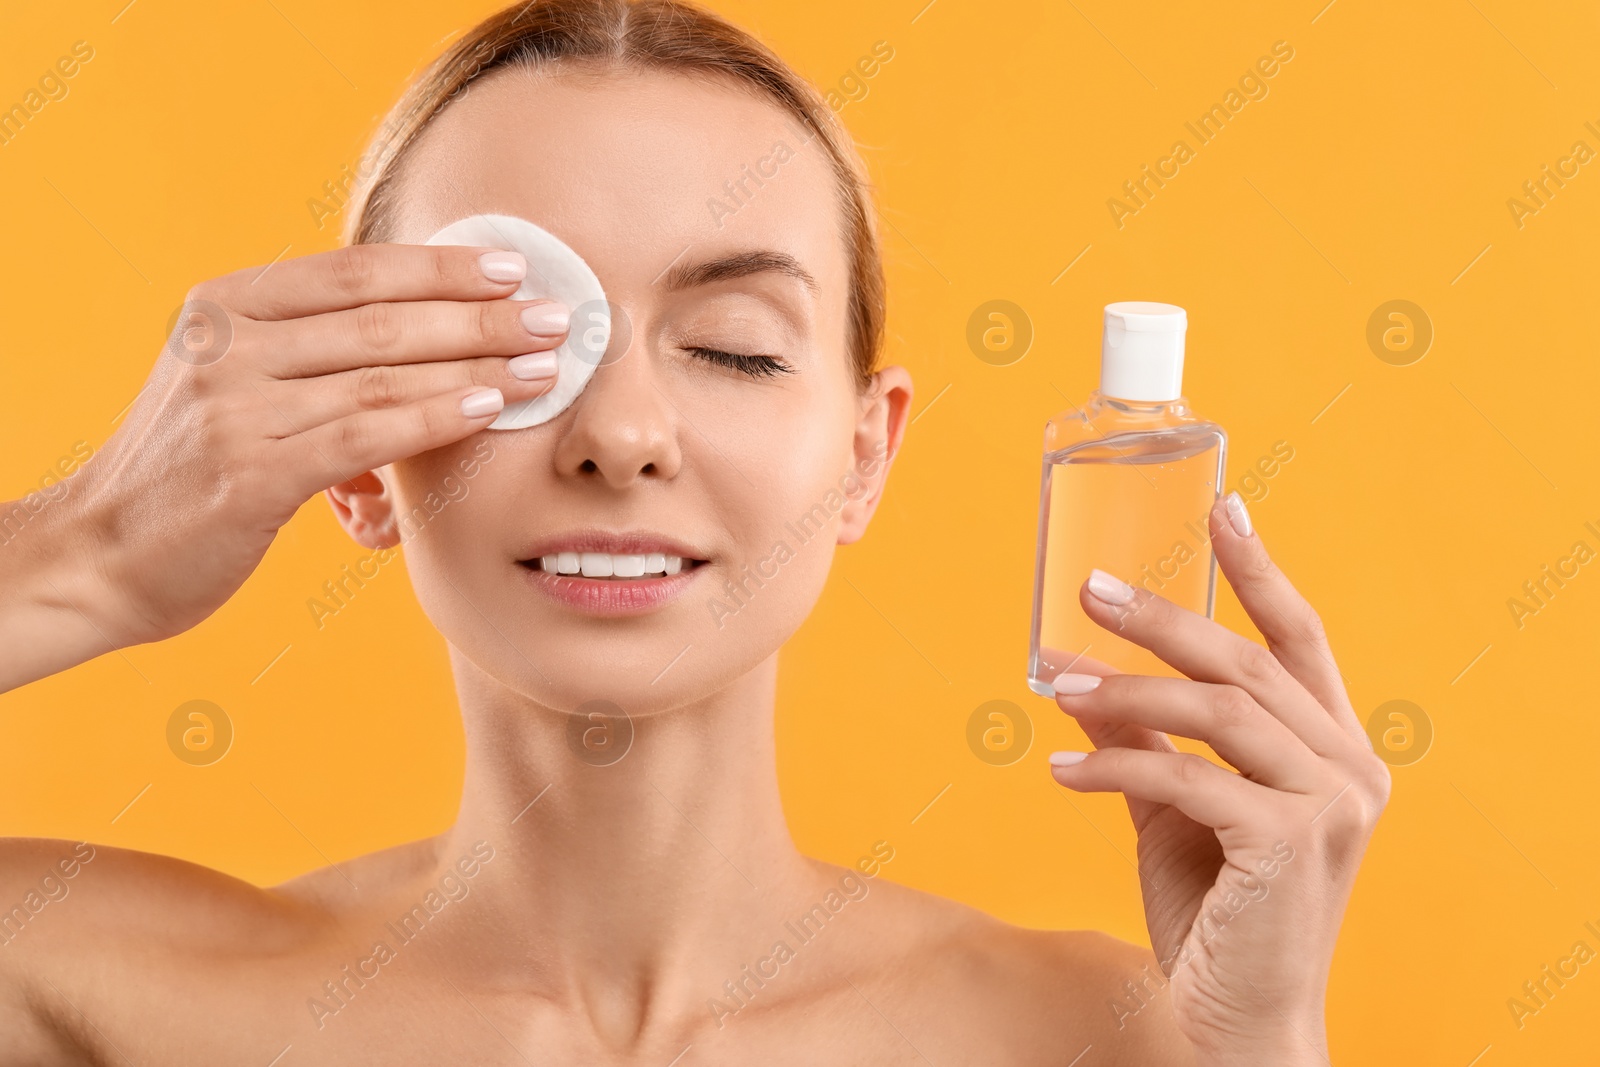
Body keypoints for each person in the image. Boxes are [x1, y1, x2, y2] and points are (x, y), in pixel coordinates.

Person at [0, 0, 1388, 1062]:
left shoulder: (1106, 1039)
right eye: (520, 349)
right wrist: (86, 558)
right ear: (360, 458)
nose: (625, 434)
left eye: (731, 348)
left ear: (864, 456)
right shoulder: (114, 996)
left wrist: (1263, 1047)